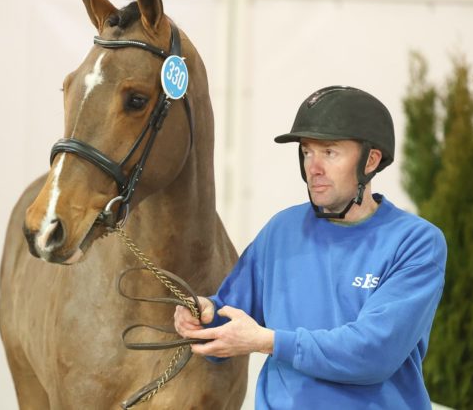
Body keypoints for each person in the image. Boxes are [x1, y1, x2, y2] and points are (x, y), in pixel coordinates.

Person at [174, 86, 447, 409]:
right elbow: (231, 319)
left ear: (371, 160)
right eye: (306, 152)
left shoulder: (416, 242)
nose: (313, 167)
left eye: (329, 152)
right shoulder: (281, 230)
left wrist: (269, 341)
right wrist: (204, 317)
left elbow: (373, 353)